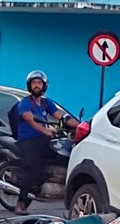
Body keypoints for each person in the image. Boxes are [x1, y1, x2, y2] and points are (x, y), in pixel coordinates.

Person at [14, 70, 79, 215]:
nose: (36, 86)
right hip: (27, 140)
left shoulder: (46, 103)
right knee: (32, 168)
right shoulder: (25, 103)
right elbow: (30, 120)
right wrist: (44, 130)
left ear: (44, 86)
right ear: (29, 86)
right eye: (34, 83)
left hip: (43, 140)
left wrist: (80, 126)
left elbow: (61, 117)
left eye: (39, 83)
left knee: (61, 157)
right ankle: (21, 203)